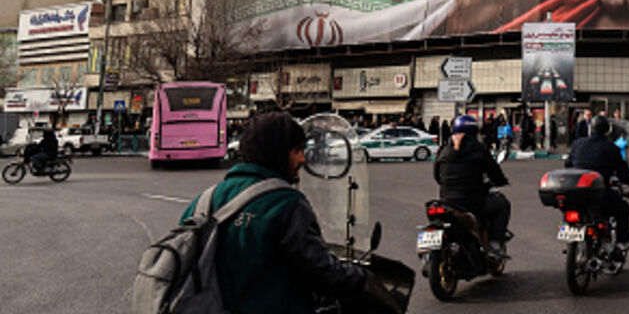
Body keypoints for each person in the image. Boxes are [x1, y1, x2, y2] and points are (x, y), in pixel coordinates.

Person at [178, 111, 393, 313]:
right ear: (277, 153)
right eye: (297, 150)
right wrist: (363, 278)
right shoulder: (286, 204)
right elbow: (321, 271)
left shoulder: (203, 201)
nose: (303, 160)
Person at [433, 115, 511, 253]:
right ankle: (494, 243)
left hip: (446, 201)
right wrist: (501, 181)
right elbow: (494, 172)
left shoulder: (443, 150)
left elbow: (436, 176)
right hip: (472, 202)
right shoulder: (479, 150)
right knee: (503, 205)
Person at [566, 115, 629, 247]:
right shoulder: (611, 148)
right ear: (607, 130)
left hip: (575, 193)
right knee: (623, 209)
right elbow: (623, 172)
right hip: (599, 194)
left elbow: (568, 164)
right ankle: (621, 243)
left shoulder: (577, 144)